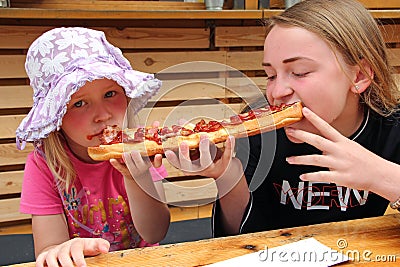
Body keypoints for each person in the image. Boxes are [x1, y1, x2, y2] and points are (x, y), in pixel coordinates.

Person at [165, 0, 400, 237]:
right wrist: (227, 176)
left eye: (300, 72)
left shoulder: (392, 127)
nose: (277, 92)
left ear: (358, 76)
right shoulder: (260, 133)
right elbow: (236, 237)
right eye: (270, 76)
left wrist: (381, 176)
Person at [16, 27, 170, 267]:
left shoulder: (140, 150)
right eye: (79, 103)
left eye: (110, 93)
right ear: (55, 118)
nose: (102, 115)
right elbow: (47, 251)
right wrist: (64, 249)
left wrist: (137, 177)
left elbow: (156, 233)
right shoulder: (43, 165)